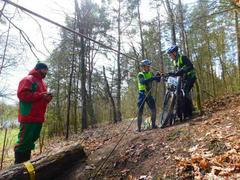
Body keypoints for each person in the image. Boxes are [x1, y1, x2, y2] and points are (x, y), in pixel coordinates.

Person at [14, 62, 52, 164]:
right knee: (23, 141)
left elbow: (41, 98)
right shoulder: (27, 79)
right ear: (38, 69)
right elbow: (23, 95)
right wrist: (41, 95)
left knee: (31, 140)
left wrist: (47, 99)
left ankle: (26, 164)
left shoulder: (43, 83)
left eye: (47, 71)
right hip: (28, 115)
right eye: (45, 70)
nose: (46, 73)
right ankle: (18, 166)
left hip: (39, 117)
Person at [167, 45, 196, 119]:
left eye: (170, 54)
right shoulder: (174, 62)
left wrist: (182, 70)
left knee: (185, 92)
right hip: (183, 79)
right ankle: (182, 113)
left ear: (175, 53)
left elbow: (190, 66)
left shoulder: (183, 57)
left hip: (190, 77)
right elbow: (177, 71)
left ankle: (189, 114)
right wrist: (172, 73)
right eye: (169, 55)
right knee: (179, 94)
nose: (170, 56)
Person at [137, 59, 161, 132]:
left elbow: (157, 80)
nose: (149, 67)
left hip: (149, 95)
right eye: (147, 66)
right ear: (143, 67)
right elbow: (143, 82)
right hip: (142, 94)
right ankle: (139, 128)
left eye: (149, 66)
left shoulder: (151, 73)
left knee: (153, 109)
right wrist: (153, 78)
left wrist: (158, 75)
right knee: (140, 111)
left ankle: (153, 125)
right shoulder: (140, 74)